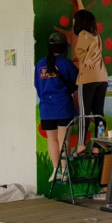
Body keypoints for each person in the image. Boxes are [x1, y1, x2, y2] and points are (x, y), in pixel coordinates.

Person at [34, 32, 78, 182]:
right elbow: (78, 80)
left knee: (51, 140)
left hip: (47, 109)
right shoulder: (66, 64)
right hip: (63, 107)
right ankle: (65, 171)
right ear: (65, 47)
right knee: (64, 140)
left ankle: (55, 171)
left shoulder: (40, 64)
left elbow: (37, 86)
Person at [73, 0, 108, 155]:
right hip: (102, 77)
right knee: (98, 112)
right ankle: (97, 145)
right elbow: (83, 16)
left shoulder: (82, 34)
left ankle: (81, 144)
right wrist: (79, 1)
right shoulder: (96, 35)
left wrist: (84, 57)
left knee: (84, 113)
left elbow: (80, 50)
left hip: (88, 78)